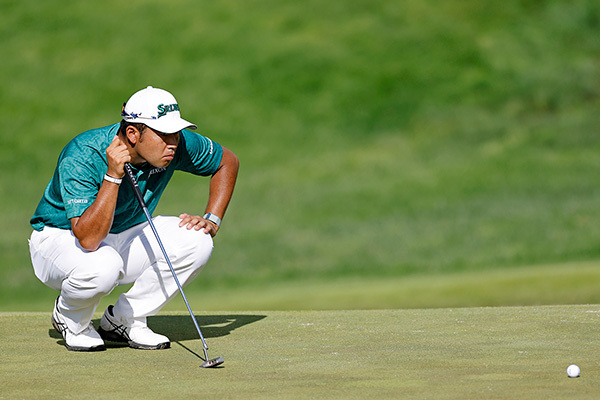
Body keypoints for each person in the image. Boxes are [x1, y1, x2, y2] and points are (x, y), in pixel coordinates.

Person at [28, 86, 239, 352]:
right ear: (132, 133)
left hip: (126, 233)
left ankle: (124, 319)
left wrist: (212, 218)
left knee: (197, 241)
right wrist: (113, 175)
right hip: (60, 240)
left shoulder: (174, 144)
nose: (173, 142)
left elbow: (226, 161)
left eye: (175, 132)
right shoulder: (84, 153)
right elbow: (88, 238)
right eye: (164, 134)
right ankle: (71, 318)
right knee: (102, 264)